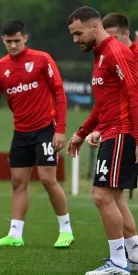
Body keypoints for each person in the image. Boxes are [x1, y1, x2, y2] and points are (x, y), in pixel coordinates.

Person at [0, 20, 74, 248]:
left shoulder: (42, 59)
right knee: (18, 182)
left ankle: (66, 230)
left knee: (48, 179)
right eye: (9, 41)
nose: (13, 45)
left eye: (17, 40)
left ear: (25, 38)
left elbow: (59, 92)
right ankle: (15, 234)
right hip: (21, 132)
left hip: (46, 129)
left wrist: (60, 130)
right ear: (3, 40)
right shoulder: (0, 67)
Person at [67, 6, 138, 275]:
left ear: (95, 27)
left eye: (78, 33)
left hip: (122, 131)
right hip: (110, 131)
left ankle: (118, 263)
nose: (75, 40)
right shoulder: (99, 55)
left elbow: (134, 92)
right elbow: (103, 103)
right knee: (115, 197)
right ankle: (133, 256)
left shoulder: (115, 52)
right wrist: (82, 133)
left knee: (101, 195)